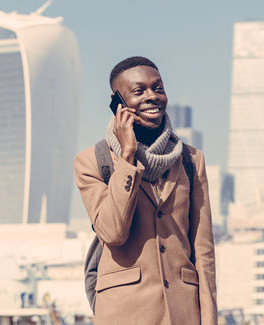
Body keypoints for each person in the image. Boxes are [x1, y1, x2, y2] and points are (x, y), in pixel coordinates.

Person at [74, 56, 217, 324]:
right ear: (118, 102)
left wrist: (209, 320)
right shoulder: (92, 162)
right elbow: (112, 232)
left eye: (158, 88)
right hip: (124, 313)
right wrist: (127, 158)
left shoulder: (191, 159)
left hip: (183, 313)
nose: (152, 96)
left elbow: (204, 250)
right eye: (138, 91)